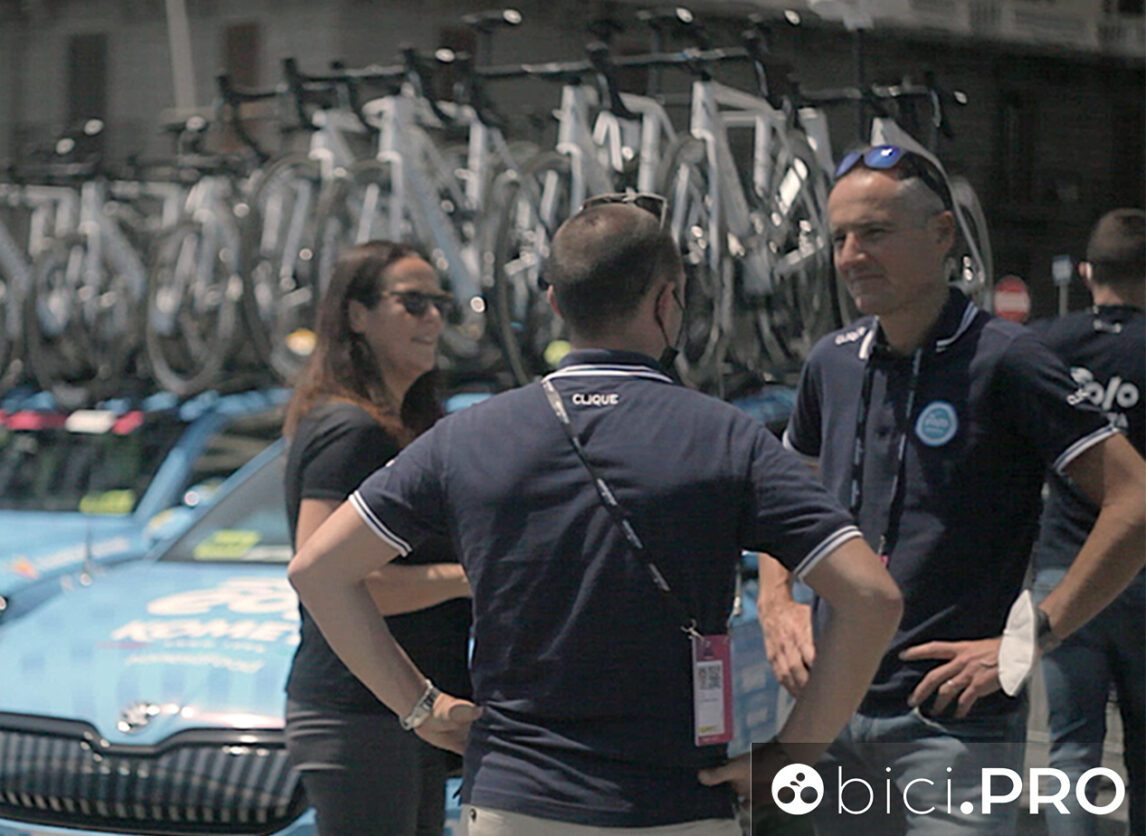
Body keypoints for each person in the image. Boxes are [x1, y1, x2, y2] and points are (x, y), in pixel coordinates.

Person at [289, 195, 904, 835]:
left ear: (556, 303)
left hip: (515, 801)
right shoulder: (726, 437)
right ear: (667, 301)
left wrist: (421, 707)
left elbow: (318, 570)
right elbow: (872, 596)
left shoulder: (466, 437)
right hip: (676, 804)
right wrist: (793, 753)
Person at [757, 148, 1146, 833]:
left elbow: (1134, 499)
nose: (850, 256)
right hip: (832, 713)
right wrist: (776, 602)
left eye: (874, 232)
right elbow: (785, 496)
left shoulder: (1008, 359)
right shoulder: (832, 361)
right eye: (840, 237)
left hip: (955, 725)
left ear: (941, 234)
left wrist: (1027, 639)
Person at [282, 240, 472, 836]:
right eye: (412, 303)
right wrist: (465, 579)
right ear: (357, 315)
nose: (433, 318)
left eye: (441, 304)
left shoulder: (394, 426)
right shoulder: (352, 431)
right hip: (362, 716)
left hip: (399, 712)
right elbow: (327, 575)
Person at [1028, 208, 1145, 836]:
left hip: (1064, 575)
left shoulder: (1045, 346)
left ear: (1086, 273)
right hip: (1142, 571)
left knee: (1070, 750)